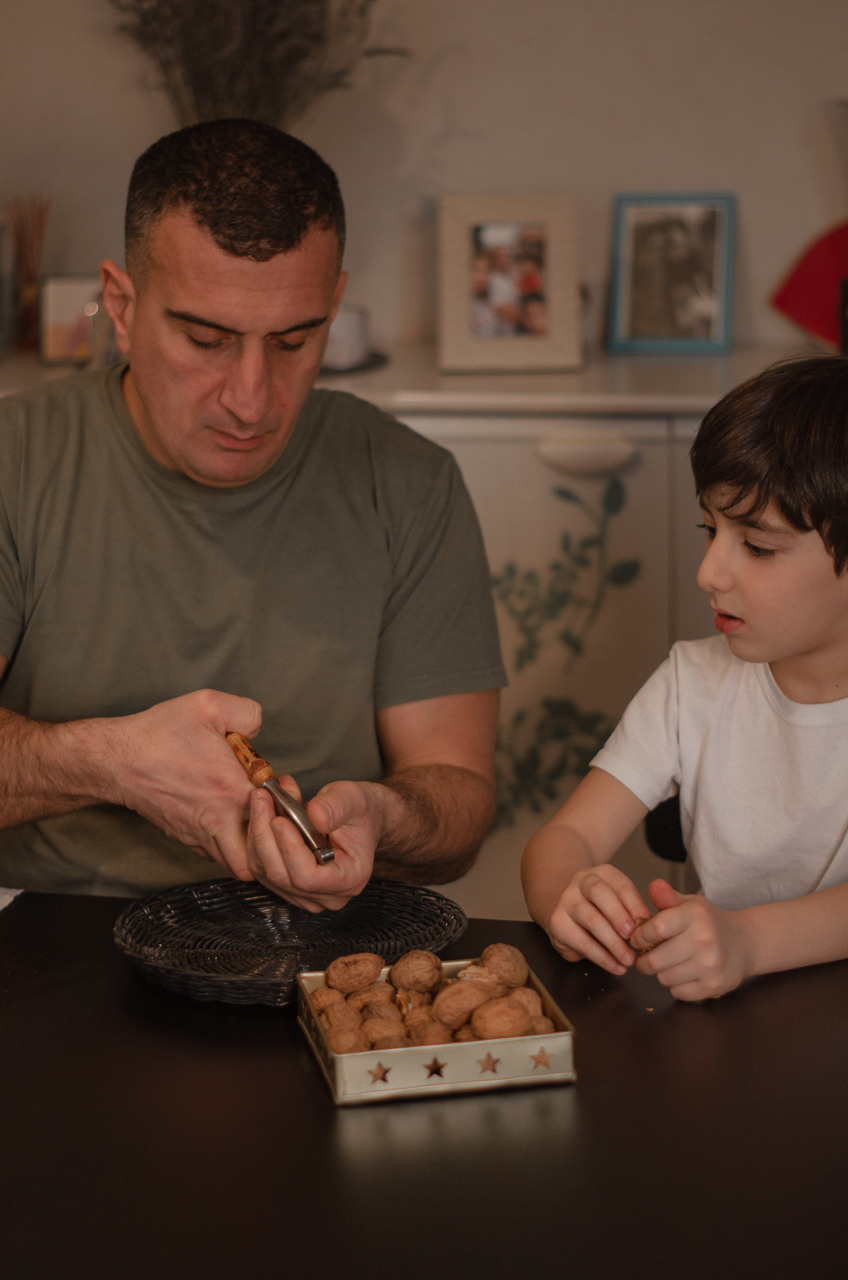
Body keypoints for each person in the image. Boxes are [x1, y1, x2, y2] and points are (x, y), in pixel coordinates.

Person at [0, 119, 506, 910]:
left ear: (334, 304)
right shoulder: (15, 461)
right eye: (206, 338)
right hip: (51, 936)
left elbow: (459, 803)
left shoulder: (409, 481)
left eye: (294, 341)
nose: (250, 398)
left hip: (314, 943)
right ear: (122, 307)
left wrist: (383, 814)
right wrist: (109, 762)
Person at [521, 354, 848, 1000]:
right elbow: (564, 839)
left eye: (756, 546)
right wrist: (571, 893)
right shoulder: (690, 683)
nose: (709, 573)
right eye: (710, 530)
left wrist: (748, 942)